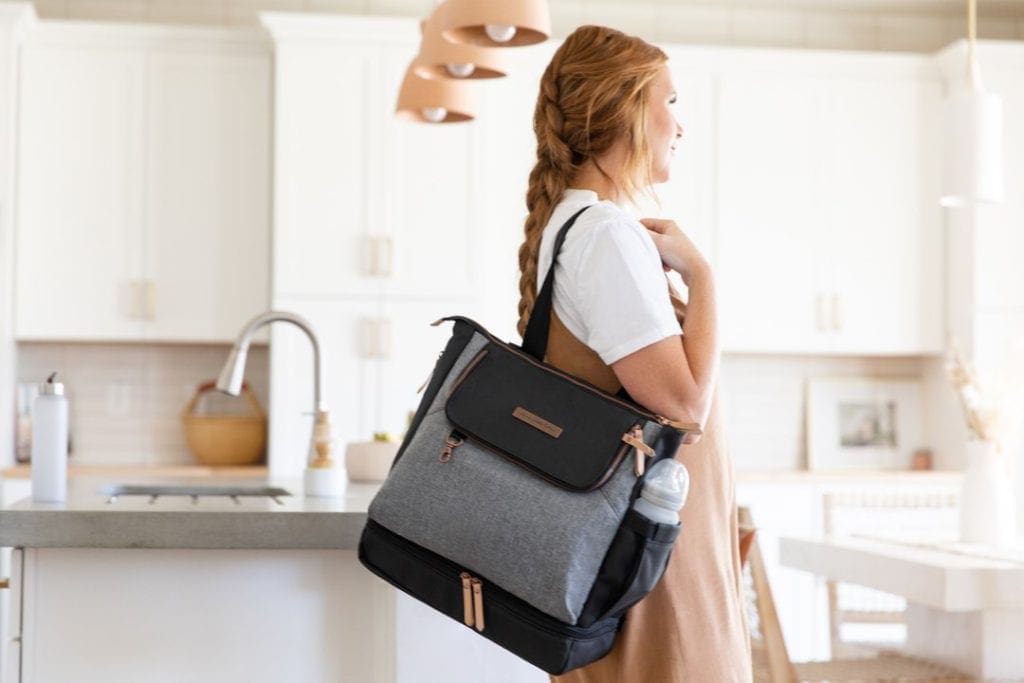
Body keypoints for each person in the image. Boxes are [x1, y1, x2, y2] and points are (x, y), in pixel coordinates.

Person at [515, 25, 752, 683]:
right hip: (656, 569)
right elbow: (684, 404)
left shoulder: (578, 224)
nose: (681, 125)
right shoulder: (608, 236)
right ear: (623, 107)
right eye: (670, 101)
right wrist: (703, 277)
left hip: (642, 553)